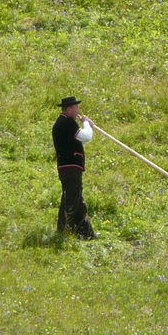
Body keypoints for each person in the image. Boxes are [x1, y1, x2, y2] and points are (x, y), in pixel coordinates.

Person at [52, 96, 98, 239]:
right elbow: (86, 137)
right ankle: (63, 232)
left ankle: (85, 233)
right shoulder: (67, 122)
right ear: (70, 109)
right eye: (76, 107)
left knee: (78, 200)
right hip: (70, 167)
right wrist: (86, 124)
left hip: (68, 167)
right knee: (71, 200)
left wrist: (86, 125)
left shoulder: (64, 122)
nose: (78, 110)